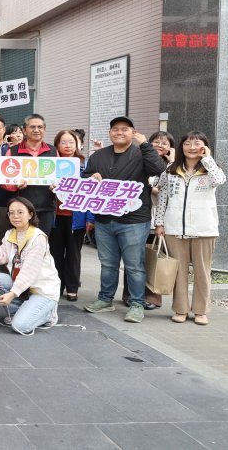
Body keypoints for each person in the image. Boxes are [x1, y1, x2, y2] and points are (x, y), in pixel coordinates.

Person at [83, 116, 168, 323]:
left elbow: (159, 170)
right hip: (104, 219)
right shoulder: (99, 155)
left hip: (134, 220)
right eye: (115, 129)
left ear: (133, 132)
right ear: (110, 132)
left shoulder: (142, 153)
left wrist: (146, 144)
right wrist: (90, 177)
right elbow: (85, 177)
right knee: (108, 264)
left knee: (134, 265)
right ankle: (105, 299)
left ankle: (137, 304)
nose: (119, 132)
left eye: (125, 129)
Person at [154, 132, 226, 325]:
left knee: (202, 271)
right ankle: (181, 309)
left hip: (204, 229)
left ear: (205, 146)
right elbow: (162, 197)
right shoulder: (170, 170)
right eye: (187, 143)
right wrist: (159, 223)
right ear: (181, 147)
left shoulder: (210, 170)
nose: (192, 147)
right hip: (174, 228)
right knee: (179, 271)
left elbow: (220, 180)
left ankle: (201, 311)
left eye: (197, 143)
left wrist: (207, 159)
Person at [0, 197, 60, 335]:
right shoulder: (10, 233)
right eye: (11, 213)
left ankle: (48, 314)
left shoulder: (38, 237)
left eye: (20, 212)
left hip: (42, 291)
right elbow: (0, 260)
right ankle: (19, 310)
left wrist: (11, 294)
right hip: (24, 288)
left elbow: (29, 272)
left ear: (30, 214)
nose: (15, 216)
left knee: (20, 326)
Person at [120, 130, 176, 309]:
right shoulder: (139, 159)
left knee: (155, 257)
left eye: (165, 143)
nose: (160, 145)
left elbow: (173, 190)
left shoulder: (173, 166)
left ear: (171, 148)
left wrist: (172, 162)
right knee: (134, 258)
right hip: (138, 216)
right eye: (156, 141)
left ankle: (152, 297)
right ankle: (130, 295)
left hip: (160, 219)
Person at [49, 130, 88, 302]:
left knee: (74, 253)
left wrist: (90, 219)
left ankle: (72, 287)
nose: (68, 146)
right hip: (55, 215)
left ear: (78, 144)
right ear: (57, 145)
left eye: (71, 142)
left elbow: (91, 193)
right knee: (55, 253)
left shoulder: (85, 165)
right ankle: (56, 286)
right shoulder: (50, 164)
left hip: (76, 217)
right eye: (63, 142)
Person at [3, 114, 57, 236]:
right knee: (21, 242)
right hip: (20, 209)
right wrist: (15, 185)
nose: (36, 130)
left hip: (46, 207)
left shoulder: (53, 151)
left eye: (40, 127)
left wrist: (56, 186)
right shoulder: (12, 151)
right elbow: (4, 181)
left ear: (44, 129)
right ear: (24, 130)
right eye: (32, 127)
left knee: (42, 242)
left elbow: (59, 178)